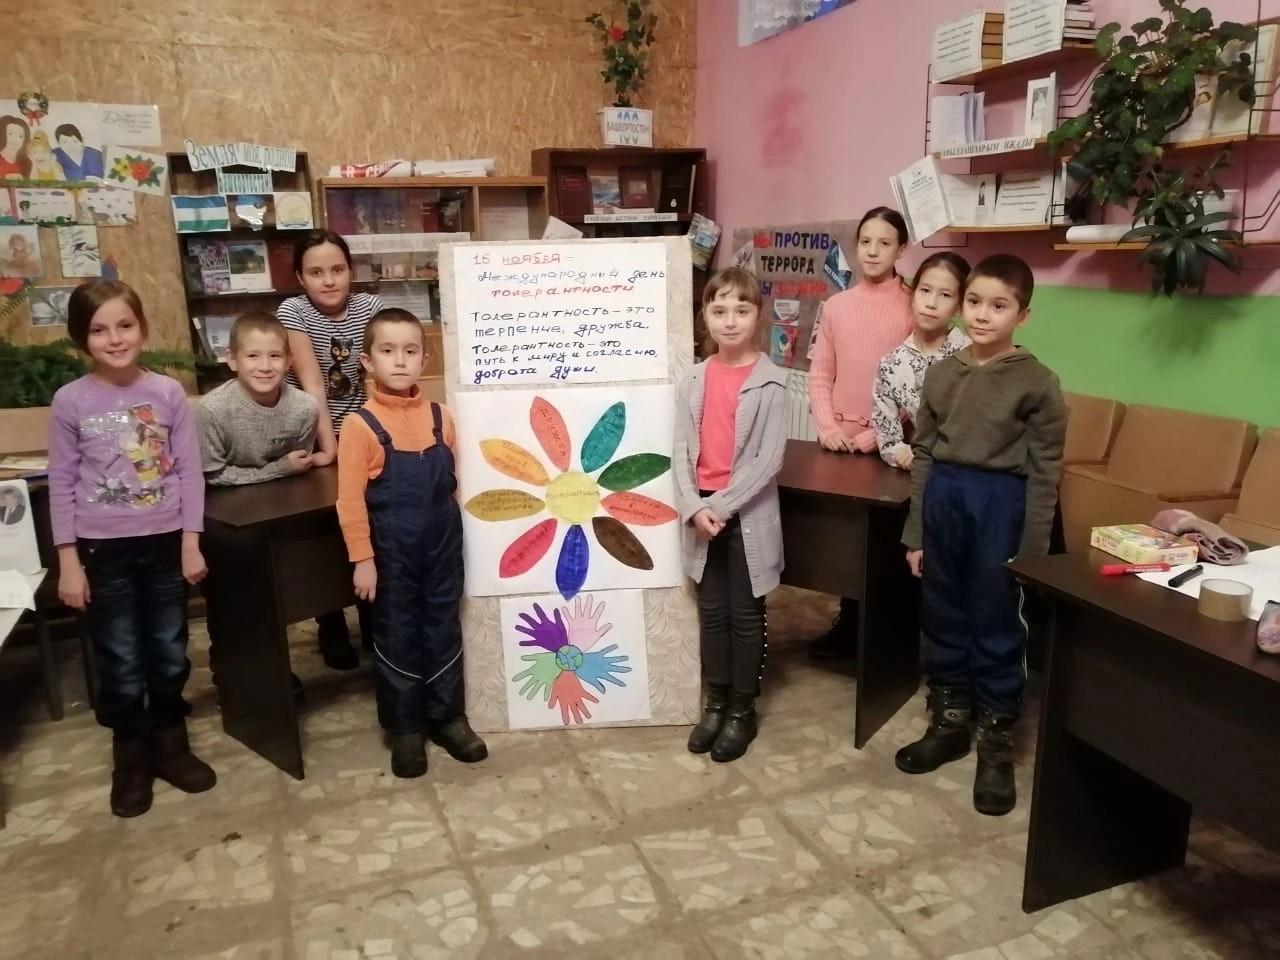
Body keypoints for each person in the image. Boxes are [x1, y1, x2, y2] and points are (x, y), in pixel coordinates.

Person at [897, 254, 1067, 817]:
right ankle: (949, 722)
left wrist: (1033, 553)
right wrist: (917, 532)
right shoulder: (942, 373)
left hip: (1001, 508)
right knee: (943, 611)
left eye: (999, 306)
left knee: (996, 620)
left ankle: (996, 740)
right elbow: (923, 452)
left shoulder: (1038, 383)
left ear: (1023, 315)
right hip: (944, 501)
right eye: (973, 302)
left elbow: (1045, 473)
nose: (982, 315)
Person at [49, 280, 216, 818]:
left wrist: (190, 541)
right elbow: (61, 482)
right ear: (82, 338)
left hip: (166, 542)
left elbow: (189, 472)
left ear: (141, 328)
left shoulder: (167, 393)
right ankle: (131, 754)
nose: (115, 338)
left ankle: (170, 740)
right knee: (120, 655)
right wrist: (68, 560)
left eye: (125, 325)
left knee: (168, 647)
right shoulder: (71, 401)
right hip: (103, 550)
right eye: (99, 330)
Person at [336, 307, 487, 778]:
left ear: (425, 359)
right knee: (397, 633)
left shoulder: (443, 418)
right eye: (387, 351)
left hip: (442, 545)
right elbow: (349, 502)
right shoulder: (360, 426)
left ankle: (448, 718)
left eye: (410, 351)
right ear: (368, 361)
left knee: (443, 627)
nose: (399, 360)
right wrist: (363, 560)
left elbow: (456, 485)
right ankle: (405, 728)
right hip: (392, 553)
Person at [674, 267, 789, 763]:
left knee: (745, 614)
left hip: (744, 514)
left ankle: (743, 708)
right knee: (712, 611)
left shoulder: (772, 383)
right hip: (703, 514)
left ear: (757, 316)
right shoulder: (693, 380)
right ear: (705, 316)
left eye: (741, 310)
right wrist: (694, 506)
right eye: (719, 310)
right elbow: (680, 452)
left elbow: (769, 460)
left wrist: (718, 506)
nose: (730, 320)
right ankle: (716, 701)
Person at [806, 207, 915, 659]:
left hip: (888, 447)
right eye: (865, 241)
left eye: (884, 243)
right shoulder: (836, 306)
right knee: (842, 545)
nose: (872, 251)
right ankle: (846, 628)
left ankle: (880, 641)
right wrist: (828, 427)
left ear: (901, 249)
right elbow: (820, 374)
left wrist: (878, 436)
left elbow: (914, 385)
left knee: (881, 549)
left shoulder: (913, 305)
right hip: (837, 444)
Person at [278, 230, 385, 670]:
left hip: (364, 434)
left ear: (350, 271)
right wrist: (331, 448)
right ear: (300, 278)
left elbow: (379, 376)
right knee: (326, 531)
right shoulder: (294, 312)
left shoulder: (370, 308)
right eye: (316, 272)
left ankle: (372, 616)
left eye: (337, 269)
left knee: (369, 523)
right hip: (314, 434)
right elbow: (312, 386)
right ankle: (331, 623)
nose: (328, 280)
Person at [872, 251, 972, 470]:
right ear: (913, 294)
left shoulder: (974, 357)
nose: (931, 303)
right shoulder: (891, 365)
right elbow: (888, 442)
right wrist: (904, 454)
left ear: (959, 305)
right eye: (925, 290)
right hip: (923, 476)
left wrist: (924, 450)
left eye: (945, 295)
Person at [198, 312, 319, 487]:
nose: (265, 367)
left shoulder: (306, 408)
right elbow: (212, 475)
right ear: (232, 359)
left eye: (275, 356)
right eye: (253, 356)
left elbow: (299, 464)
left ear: (288, 361)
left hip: (286, 493)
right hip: (227, 498)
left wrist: (287, 469)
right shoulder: (211, 410)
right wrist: (279, 469)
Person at [0, 115, 30, 180]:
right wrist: (5, 177)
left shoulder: (26, 163)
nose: (15, 139)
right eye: (10, 134)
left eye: (20, 136)